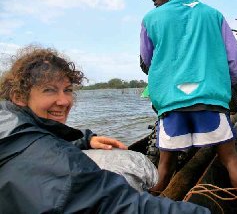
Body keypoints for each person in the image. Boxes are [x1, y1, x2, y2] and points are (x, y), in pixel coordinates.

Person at [0, 45, 210, 214]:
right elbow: (119, 204)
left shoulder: (8, 120)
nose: (64, 101)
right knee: (133, 165)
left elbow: (33, 141)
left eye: (68, 90)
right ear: (18, 96)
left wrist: (83, 140)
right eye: (49, 90)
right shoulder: (60, 164)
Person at [140, 0, 237, 214]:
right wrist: (234, 82)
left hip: (171, 104)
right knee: (230, 160)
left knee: (164, 168)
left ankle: (140, 207)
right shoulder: (213, 14)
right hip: (210, 102)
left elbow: (148, 61)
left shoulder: (150, 20)